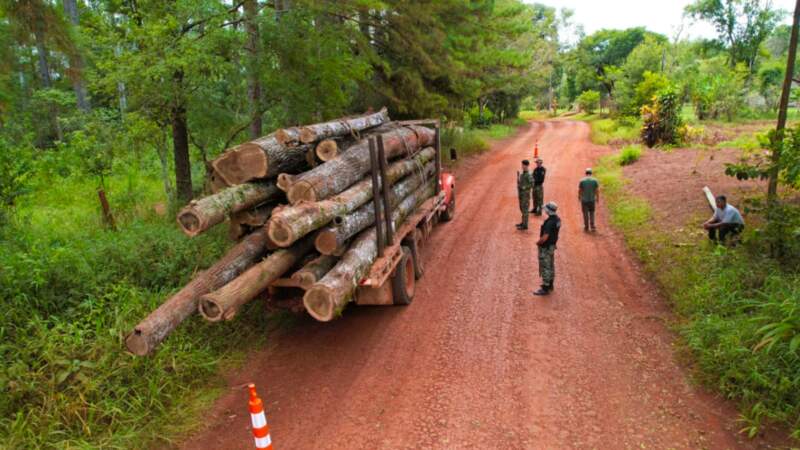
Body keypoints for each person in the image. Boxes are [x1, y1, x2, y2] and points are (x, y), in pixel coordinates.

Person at [534, 202, 561, 296]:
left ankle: (545, 287)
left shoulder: (549, 222)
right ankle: (550, 284)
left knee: (545, 265)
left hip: (546, 246)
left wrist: (539, 242)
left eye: (546, 209)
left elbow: (545, 236)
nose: (545, 210)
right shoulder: (557, 219)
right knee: (550, 265)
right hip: (552, 246)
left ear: (549, 210)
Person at [578, 168, 600, 232]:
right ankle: (592, 226)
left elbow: (580, 190)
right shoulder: (595, 181)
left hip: (584, 200)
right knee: (592, 212)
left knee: (585, 213)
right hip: (592, 200)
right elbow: (597, 190)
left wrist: (579, 196)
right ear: (591, 173)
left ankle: (586, 227)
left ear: (586, 173)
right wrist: (597, 198)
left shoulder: (582, 181)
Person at [516, 160, 533, 230]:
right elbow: (520, 184)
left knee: (525, 210)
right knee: (522, 209)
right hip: (521, 195)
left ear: (526, 165)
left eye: (523, 165)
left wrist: (524, 187)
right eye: (522, 165)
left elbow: (532, 184)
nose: (522, 166)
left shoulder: (528, 175)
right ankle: (523, 222)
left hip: (525, 195)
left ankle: (525, 225)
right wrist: (518, 177)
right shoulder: (522, 174)